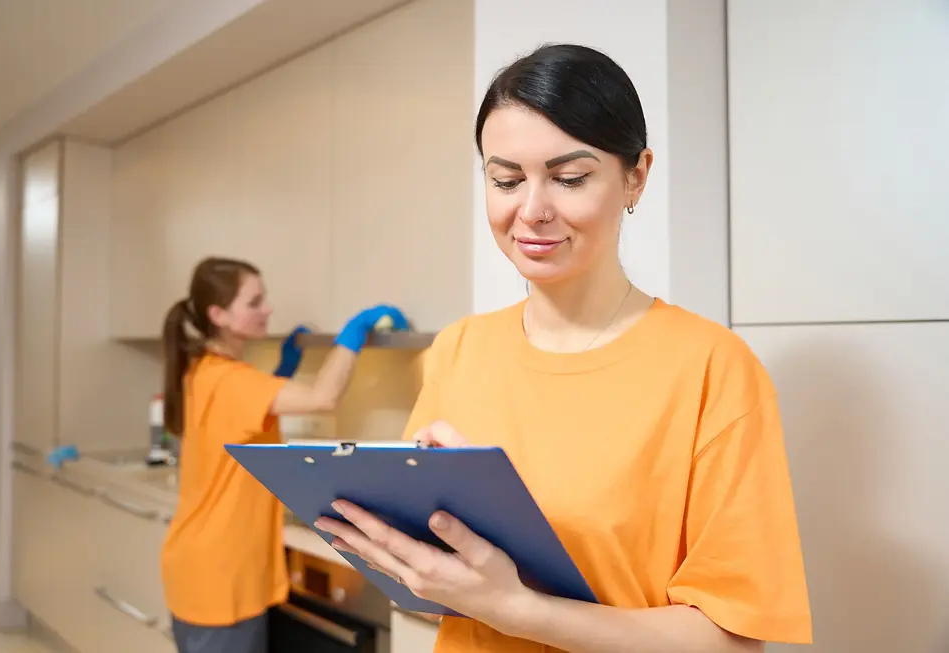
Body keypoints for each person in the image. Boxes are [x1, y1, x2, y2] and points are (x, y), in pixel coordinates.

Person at [314, 44, 813, 652]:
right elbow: (429, 587)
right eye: (505, 179)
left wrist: (521, 610)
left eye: (569, 178)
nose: (532, 210)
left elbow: (732, 641)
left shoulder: (712, 368)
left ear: (636, 175)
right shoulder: (458, 349)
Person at [159, 256, 406, 653]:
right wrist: (352, 336)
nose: (268, 309)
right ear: (218, 314)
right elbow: (322, 398)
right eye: (254, 302)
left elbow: (250, 411)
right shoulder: (233, 381)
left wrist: (285, 369)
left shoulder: (203, 370)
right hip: (222, 576)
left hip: (200, 564)